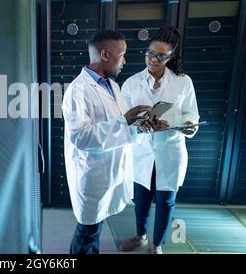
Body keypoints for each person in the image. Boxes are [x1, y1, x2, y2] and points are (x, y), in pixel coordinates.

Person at [62, 30, 153, 254]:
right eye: (121, 55)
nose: (124, 61)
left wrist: (140, 127)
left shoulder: (112, 86)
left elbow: (122, 130)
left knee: (95, 229)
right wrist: (124, 121)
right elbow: (80, 138)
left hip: (111, 173)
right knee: (88, 232)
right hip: (93, 177)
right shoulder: (78, 90)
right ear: (105, 54)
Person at [120, 25, 200, 254]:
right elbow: (122, 119)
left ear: (170, 57)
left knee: (166, 202)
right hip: (142, 150)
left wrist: (178, 126)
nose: (153, 59)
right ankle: (140, 236)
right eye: (150, 53)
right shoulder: (132, 83)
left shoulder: (183, 82)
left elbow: (191, 115)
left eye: (160, 56)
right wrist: (139, 124)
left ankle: (157, 245)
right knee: (141, 200)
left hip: (170, 150)